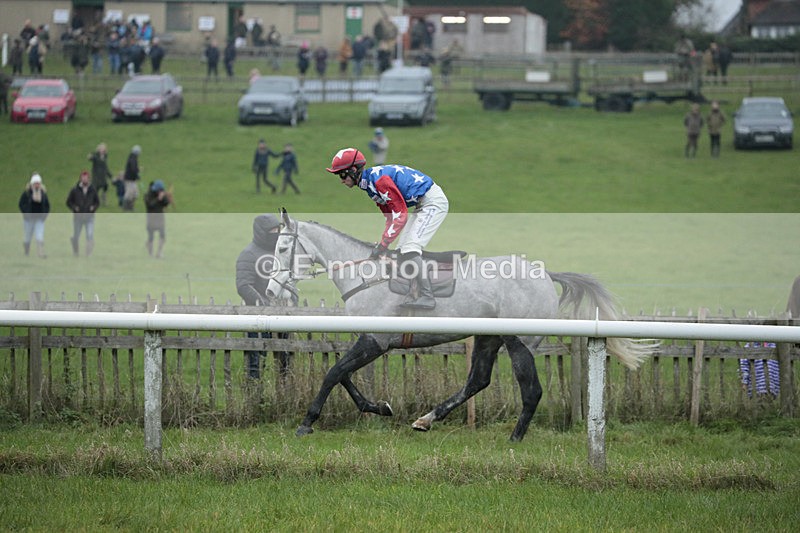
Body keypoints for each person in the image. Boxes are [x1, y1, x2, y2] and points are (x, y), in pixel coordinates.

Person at [325, 148, 449, 310]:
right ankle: (414, 291)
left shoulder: (379, 182)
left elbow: (400, 216)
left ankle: (428, 296)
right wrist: (382, 245)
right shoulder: (369, 185)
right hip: (422, 204)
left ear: (353, 170)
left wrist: (383, 245)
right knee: (401, 251)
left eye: (342, 175)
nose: (341, 180)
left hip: (432, 203)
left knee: (410, 249)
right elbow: (390, 218)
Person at [235, 214, 290, 379]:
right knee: (257, 364)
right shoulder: (248, 254)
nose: (276, 233)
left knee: (285, 365)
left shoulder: (280, 253)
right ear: (261, 232)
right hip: (257, 318)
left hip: (282, 316)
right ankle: (254, 392)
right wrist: (264, 306)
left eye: (277, 229)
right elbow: (243, 286)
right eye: (272, 230)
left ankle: (284, 392)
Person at [66, 170, 100, 257]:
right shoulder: (75, 189)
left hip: (89, 217)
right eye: (83, 178)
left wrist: (93, 208)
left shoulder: (93, 190)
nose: (85, 179)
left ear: (89, 179)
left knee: (89, 235)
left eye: (86, 178)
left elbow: (97, 202)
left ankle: (88, 253)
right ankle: (76, 252)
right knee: (76, 236)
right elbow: (68, 202)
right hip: (78, 217)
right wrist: (74, 208)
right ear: (80, 179)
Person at [18, 173, 50, 258]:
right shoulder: (27, 194)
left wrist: (44, 215)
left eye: (38, 183)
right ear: (32, 183)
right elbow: (21, 204)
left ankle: (40, 253)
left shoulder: (43, 194)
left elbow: (47, 206)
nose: (37, 185)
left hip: (39, 219)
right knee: (27, 237)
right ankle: (26, 250)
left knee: (39, 236)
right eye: (35, 183)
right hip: (29, 219)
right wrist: (26, 212)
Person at [144, 180, 173, 258]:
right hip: (151, 217)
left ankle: (159, 252)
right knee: (151, 237)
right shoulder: (147, 195)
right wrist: (158, 199)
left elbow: (165, 204)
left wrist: (167, 198)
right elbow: (150, 206)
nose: (159, 192)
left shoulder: (161, 193)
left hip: (160, 217)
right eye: (158, 190)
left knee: (162, 235)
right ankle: (150, 254)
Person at [123, 145, 142, 211]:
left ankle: (131, 207)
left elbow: (134, 168)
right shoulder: (132, 158)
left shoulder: (133, 158)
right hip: (129, 179)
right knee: (129, 194)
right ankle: (126, 208)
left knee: (135, 193)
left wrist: (138, 170)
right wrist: (137, 175)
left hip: (133, 179)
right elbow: (133, 169)